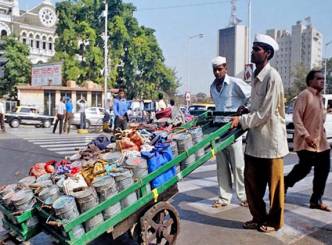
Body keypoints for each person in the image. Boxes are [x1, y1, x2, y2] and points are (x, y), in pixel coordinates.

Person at [231, 34, 288, 232]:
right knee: (252, 184)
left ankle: (274, 222)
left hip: (271, 142)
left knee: (275, 187)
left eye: (257, 49)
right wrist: (245, 110)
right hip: (255, 141)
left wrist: (242, 120)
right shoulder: (256, 76)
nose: (253, 52)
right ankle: (258, 217)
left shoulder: (273, 77)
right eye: (253, 48)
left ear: (268, 53)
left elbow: (265, 113)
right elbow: (256, 107)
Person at [284, 70, 331, 212]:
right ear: (310, 81)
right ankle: (284, 183)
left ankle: (316, 200)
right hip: (305, 141)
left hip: (321, 142)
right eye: (318, 79)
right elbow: (296, 118)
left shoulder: (320, 98)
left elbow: (320, 120)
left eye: (323, 79)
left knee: (323, 170)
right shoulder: (305, 95)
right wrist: (306, 135)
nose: (322, 81)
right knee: (304, 168)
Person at [210, 56, 251, 208]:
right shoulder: (212, 87)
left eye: (220, 69)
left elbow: (251, 96)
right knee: (221, 166)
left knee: (238, 166)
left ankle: (244, 196)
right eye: (214, 70)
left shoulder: (235, 83)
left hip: (233, 130)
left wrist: (242, 114)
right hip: (219, 131)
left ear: (226, 68)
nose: (217, 72)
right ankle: (224, 198)